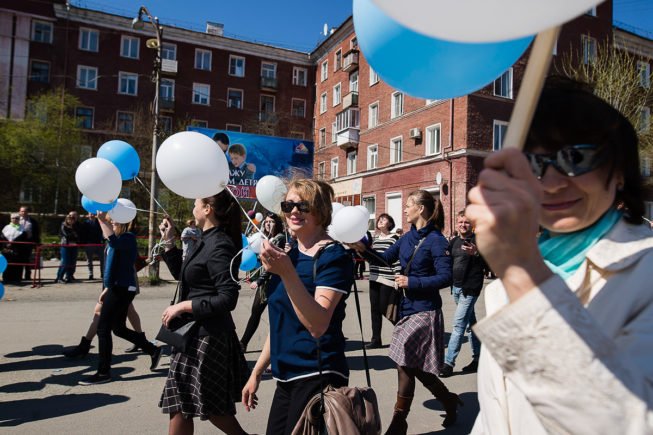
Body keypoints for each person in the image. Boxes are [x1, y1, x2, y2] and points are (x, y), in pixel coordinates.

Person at [466, 77, 653, 434]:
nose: (551, 183)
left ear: (619, 172)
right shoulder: (506, 281)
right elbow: (494, 412)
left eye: (576, 158)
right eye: (534, 164)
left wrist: (521, 272)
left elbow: (628, 425)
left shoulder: (646, 272)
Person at [241, 179, 355, 434]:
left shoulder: (332, 256)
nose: (294, 211)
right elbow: (282, 322)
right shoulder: (289, 255)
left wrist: (287, 273)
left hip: (317, 374)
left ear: (320, 210)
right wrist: (257, 372)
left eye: (303, 206)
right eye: (288, 205)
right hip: (285, 376)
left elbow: (318, 324)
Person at [354, 190, 459, 433]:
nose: (404, 209)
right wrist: (362, 249)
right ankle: (449, 400)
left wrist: (413, 283)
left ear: (420, 209)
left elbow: (446, 277)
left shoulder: (437, 240)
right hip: (406, 308)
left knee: (403, 363)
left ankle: (399, 422)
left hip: (425, 311)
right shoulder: (407, 237)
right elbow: (384, 259)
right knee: (416, 368)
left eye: (408, 204)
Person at [158, 190, 249, 435]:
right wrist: (169, 243)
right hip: (193, 336)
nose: (193, 208)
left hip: (208, 338)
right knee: (179, 404)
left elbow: (227, 297)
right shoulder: (205, 239)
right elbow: (186, 277)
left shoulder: (219, 244)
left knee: (213, 408)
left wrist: (183, 306)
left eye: (196, 203)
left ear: (208, 208)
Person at [78, 213, 161, 385]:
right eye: (108, 221)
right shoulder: (115, 239)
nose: (108, 225)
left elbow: (115, 245)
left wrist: (101, 219)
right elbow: (113, 266)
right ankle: (152, 349)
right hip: (116, 287)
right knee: (119, 329)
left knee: (103, 328)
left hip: (122, 288)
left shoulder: (127, 237)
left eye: (111, 222)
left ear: (120, 224)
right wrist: (106, 288)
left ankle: (103, 372)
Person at [439, 211, 486, 377]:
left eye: (466, 222)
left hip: (470, 289)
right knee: (471, 324)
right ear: (456, 223)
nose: (463, 225)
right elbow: (447, 260)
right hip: (457, 289)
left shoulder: (479, 241)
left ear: (471, 224)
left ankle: (448, 363)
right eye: (460, 222)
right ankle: (479, 359)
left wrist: (477, 254)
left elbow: (490, 263)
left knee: (458, 325)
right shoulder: (453, 242)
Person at [240, 212, 286, 353]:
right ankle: (243, 343)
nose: (268, 224)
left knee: (276, 317)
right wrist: (254, 277)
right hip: (265, 283)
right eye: (266, 221)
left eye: (271, 221)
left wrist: (259, 281)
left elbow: (271, 264)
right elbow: (261, 262)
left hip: (275, 283)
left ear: (277, 224)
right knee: (256, 312)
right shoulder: (266, 238)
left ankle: (277, 349)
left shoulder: (279, 238)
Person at [366, 213, 400, 349]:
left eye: (383, 219)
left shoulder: (394, 238)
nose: (380, 221)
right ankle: (376, 339)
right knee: (374, 309)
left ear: (390, 224)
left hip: (387, 278)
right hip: (374, 277)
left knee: (384, 308)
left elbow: (397, 258)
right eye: (379, 219)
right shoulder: (374, 239)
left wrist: (398, 276)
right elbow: (371, 258)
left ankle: (405, 331)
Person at [55, 213, 80, 283]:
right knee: (65, 262)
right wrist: (74, 235)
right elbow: (66, 235)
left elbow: (78, 235)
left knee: (72, 262)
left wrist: (75, 235)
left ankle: (69, 277)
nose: (71, 220)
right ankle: (59, 277)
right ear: (66, 219)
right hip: (65, 245)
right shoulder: (63, 225)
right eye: (69, 219)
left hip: (74, 245)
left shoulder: (75, 226)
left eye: (72, 219)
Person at [1, 213, 26, 283]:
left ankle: (16, 279)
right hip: (6, 250)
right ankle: (6, 278)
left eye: (16, 218)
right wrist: (6, 244)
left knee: (17, 265)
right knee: (6, 264)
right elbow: (2, 237)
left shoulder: (22, 228)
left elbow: (23, 238)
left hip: (17, 250)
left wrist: (13, 244)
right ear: (10, 219)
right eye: (13, 218)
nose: (15, 219)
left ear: (19, 219)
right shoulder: (6, 227)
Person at [80, 213, 105, 280]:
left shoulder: (99, 222)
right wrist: (84, 243)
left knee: (103, 260)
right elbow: (83, 233)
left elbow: (103, 231)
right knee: (89, 260)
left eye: (93, 214)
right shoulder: (85, 223)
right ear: (88, 215)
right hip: (89, 244)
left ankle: (103, 274)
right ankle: (90, 274)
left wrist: (102, 240)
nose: (92, 215)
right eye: (90, 214)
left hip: (99, 244)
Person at [18, 206, 40, 281]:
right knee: (19, 260)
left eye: (25, 211)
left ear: (28, 212)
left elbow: (36, 233)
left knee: (27, 260)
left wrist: (37, 243)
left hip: (28, 242)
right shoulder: (16, 220)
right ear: (19, 212)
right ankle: (18, 276)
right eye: (22, 211)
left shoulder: (32, 221)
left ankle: (27, 276)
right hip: (18, 243)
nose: (23, 213)